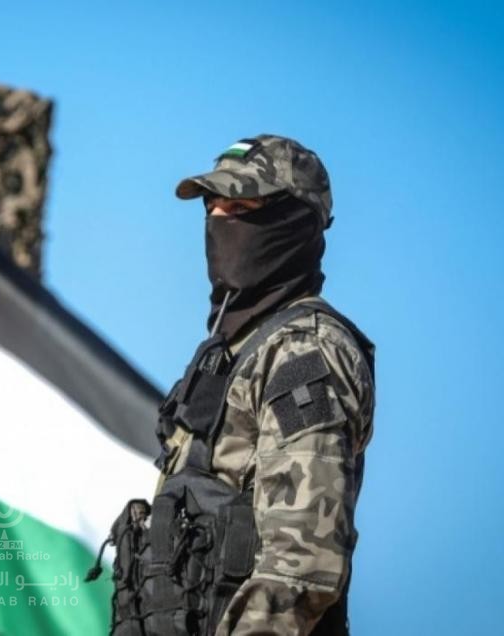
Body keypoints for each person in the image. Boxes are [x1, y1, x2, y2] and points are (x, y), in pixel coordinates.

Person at [154, 134, 376, 635]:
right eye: (212, 208)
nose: (219, 223)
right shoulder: (225, 357)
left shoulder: (304, 352)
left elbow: (303, 567)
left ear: (292, 224)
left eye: (240, 208)